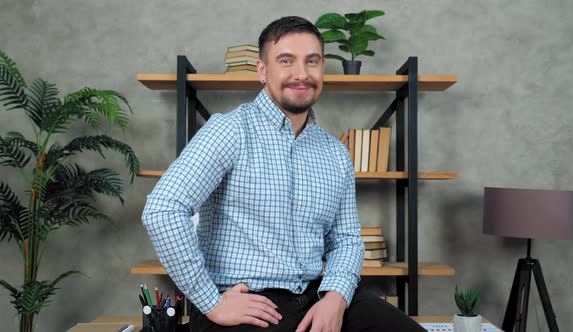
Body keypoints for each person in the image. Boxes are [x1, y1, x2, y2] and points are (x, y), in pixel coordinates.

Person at [142, 16, 426, 332]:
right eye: (286, 61)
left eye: (312, 61)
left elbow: (346, 239)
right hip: (246, 302)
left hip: (318, 294)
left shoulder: (335, 152)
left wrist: (336, 299)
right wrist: (212, 302)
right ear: (263, 71)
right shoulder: (228, 131)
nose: (301, 74)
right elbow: (162, 210)